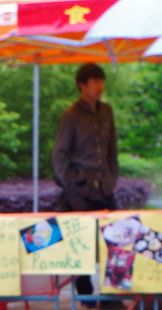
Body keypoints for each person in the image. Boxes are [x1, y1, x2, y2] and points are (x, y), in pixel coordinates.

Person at [52, 62, 118, 212]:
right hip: (81, 188)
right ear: (82, 85)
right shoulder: (71, 115)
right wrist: (70, 182)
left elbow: (112, 148)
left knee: (112, 223)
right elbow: (59, 154)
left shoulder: (106, 111)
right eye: (94, 82)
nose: (99, 86)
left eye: (101, 81)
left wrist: (112, 177)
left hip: (104, 187)